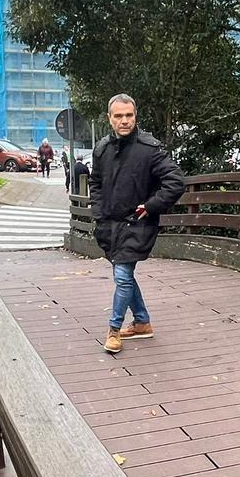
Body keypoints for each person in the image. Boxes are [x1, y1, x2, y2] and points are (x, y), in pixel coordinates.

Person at [89, 94, 185, 354]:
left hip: (137, 223)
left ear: (135, 116)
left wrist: (151, 205)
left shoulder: (149, 148)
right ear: (109, 118)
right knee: (124, 276)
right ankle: (142, 322)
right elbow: (95, 183)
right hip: (109, 225)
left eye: (129, 115)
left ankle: (113, 330)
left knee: (121, 276)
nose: (124, 121)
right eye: (119, 116)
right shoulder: (102, 149)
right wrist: (98, 213)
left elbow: (175, 182)